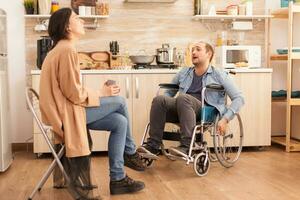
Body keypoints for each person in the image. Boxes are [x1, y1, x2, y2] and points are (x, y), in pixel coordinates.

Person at [39, 8, 145, 197]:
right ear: (67, 27)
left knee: (120, 122)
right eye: (76, 18)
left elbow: (69, 91)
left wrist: (98, 94)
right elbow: (74, 93)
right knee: (119, 101)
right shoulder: (67, 49)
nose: (81, 21)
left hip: (65, 111)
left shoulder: (60, 49)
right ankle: (131, 152)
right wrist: (101, 93)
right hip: (67, 115)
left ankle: (118, 179)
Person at [137, 41, 245, 158]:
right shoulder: (184, 72)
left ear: (209, 54)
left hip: (204, 112)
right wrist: (163, 108)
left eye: (198, 49)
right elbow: (169, 93)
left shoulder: (219, 74)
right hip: (182, 109)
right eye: (192, 50)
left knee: (184, 98)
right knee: (159, 99)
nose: (193, 52)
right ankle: (153, 145)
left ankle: (187, 145)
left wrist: (225, 119)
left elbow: (239, 98)